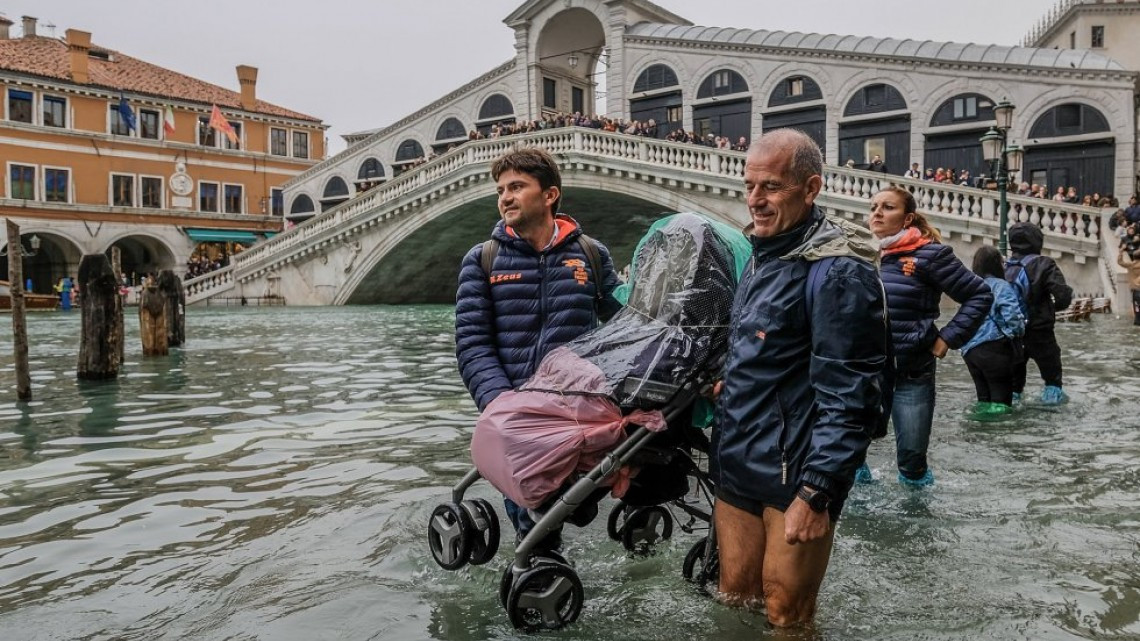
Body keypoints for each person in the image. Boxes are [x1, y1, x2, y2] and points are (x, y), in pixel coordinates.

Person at [712, 129, 888, 627]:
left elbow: (852, 395)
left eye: (771, 187)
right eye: (749, 186)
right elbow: (756, 348)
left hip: (795, 473)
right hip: (737, 458)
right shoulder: (760, 254)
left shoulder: (838, 274)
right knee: (734, 597)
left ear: (811, 189)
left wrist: (818, 490)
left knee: (787, 613)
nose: (755, 200)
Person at [455, 146, 621, 556]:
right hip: (516, 415)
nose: (505, 198)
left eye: (516, 187)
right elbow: (473, 343)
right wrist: (501, 406)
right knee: (536, 531)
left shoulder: (591, 254)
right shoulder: (483, 260)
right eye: (501, 190)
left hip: (578, 410)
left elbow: (622, 326)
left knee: (579, 504)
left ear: (549, 195)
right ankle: (537, 568)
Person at [865, 186, 992, 486]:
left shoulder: (930, 255)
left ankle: (915, 508)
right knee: (850, 452)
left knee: (911, 461)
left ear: (908, 218)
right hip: (865, 371)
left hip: (912, 371)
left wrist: (947, 338)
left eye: (888, 207)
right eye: (873, 207)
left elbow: (979, 295)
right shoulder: (861, 254)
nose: (877, 213)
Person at [1005, 222, 1074, 405]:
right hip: (1040, 332)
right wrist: (1051, 309)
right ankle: (1052, 407)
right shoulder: (1044, 264)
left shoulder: (1005, 266)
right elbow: (1063, 295)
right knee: (1052, 378)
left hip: (1013, 334)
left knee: (1013, 385)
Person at [961, 246, 1026, 416]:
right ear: (997, 264)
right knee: (1001, 401)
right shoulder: (1001, 286)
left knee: (983, 399)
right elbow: (1012, 315)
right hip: (994, 348)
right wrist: (1018, 331)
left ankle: (980, 427)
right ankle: (998, 429)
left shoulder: (969, 286)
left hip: (970, 351)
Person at [1118, 246, 1140, 325]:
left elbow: (1120, 262)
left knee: (1137, 311)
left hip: (1136, 291)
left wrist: (1121, 252)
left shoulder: (1131, 265)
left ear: (1133, 257)